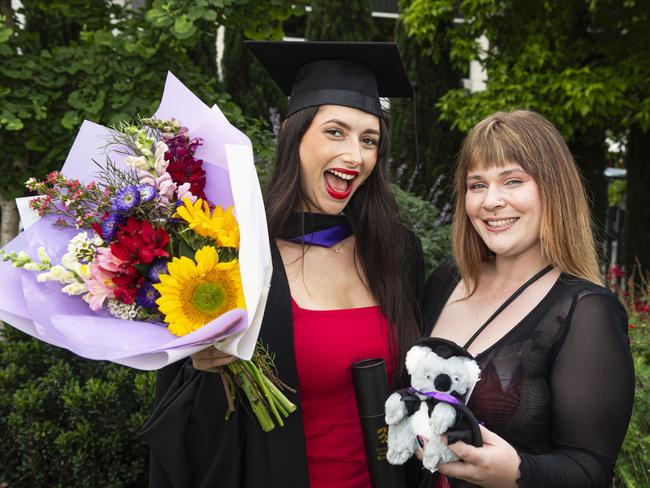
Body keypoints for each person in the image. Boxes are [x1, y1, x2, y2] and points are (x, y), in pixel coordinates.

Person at [141, 41, 424, 488]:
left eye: (369, 140)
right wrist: (201, 369)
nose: (356, 155)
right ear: (294, 135)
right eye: (336, 132)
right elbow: (187, 428)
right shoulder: (238, 258)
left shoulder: (397, 254)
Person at [420, 110, 634, 488]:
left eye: (512, 181)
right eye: (477, 185)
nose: (491, 201)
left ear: (553, 190)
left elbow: (591, 469)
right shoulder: (445, 280)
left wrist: (517, 472)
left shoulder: (585, 311)